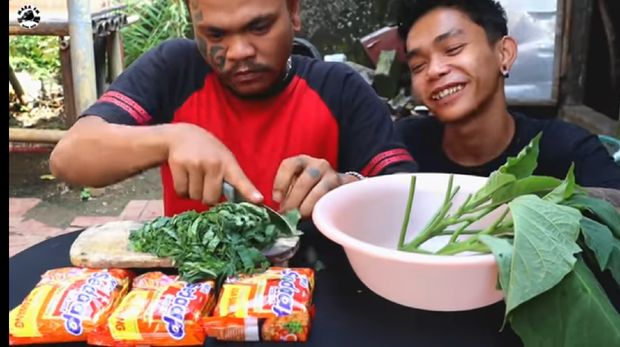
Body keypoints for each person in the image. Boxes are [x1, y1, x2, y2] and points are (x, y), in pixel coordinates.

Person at [49, 0, 417, 218]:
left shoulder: (339, 89)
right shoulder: (175, 69)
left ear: (293, 11)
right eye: (216, 35)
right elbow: (68, 158)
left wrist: (348, 185)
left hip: (312, 290)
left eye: (258, 27)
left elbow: (410, 199)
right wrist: (169, 139)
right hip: (193, 294)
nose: (238, 51)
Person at [394, 0, 620, 189]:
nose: (433, 71)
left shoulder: (569, 151)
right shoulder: (403, 145)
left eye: (452, 49)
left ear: (504, 53)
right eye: (418, 66)